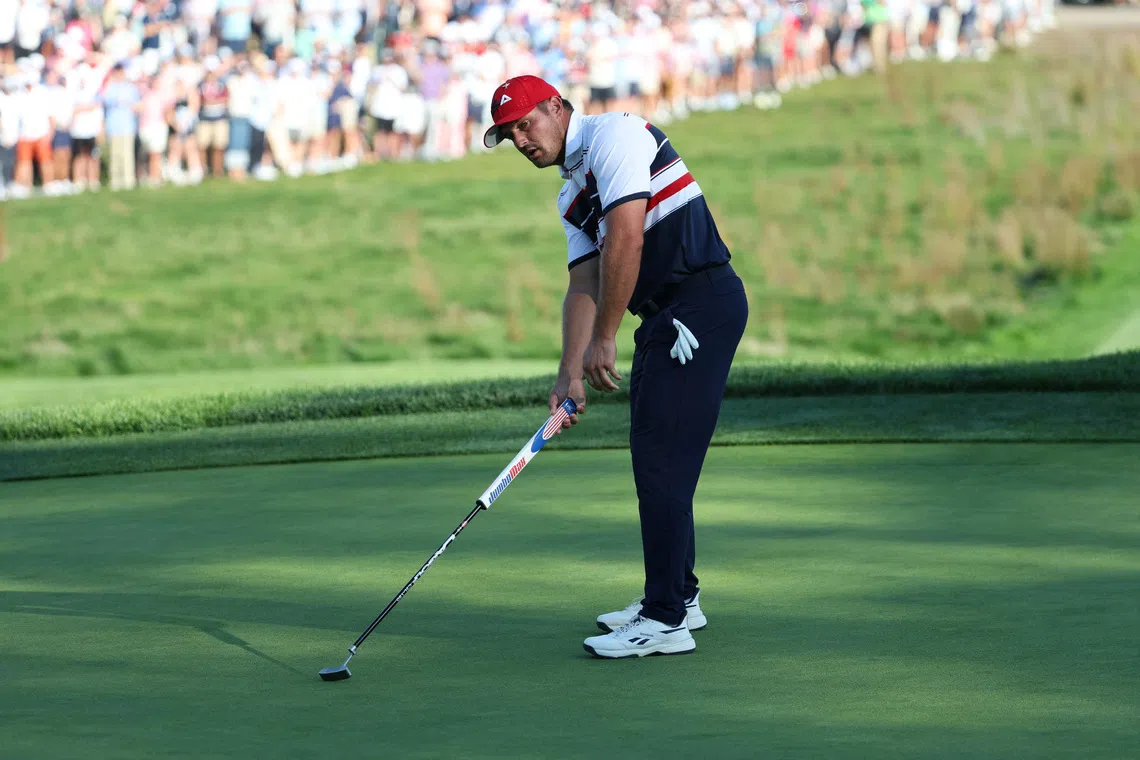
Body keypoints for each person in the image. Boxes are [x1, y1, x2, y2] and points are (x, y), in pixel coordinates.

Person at [482, 76, 748, 659]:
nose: (520, 140)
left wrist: (605, 338)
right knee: (656, 457)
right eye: (508, 134)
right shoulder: (570, 193)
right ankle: (679, 595)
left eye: (526, 123)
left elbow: (626, 238)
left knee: (662, 462)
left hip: (699, 302)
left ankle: (665, 619)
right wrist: (568, 372)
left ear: (557, 106)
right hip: (664, 317)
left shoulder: (616, 135)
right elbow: (584, 282)